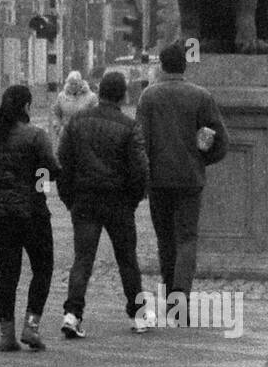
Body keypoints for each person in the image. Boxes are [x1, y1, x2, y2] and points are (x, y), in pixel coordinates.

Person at [134, 42, 228, 324]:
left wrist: (143, 175)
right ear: (185, 66)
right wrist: (203, 160)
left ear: (162, 65)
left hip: (159, 180)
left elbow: (139, 141)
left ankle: (169, 298)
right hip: (190, 178)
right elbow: (222, 141)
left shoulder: (149, 97)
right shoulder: (201, 96)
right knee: (187, 238)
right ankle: (180, 301)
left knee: (165, 239)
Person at [56, 71, 150, 338]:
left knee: (82, 261)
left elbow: (63, 163)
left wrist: (69, 199)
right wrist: (132, 200)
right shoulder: (129, 126)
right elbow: (140, 170)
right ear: (123, 95)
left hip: (84, 200)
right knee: (127, 260)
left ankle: (72, 314)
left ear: (99, 92)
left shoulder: (77, 123)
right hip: (118, 201)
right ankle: (138, 314)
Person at [0, 84, 57, 352]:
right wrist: (39, 183)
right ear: (26, 107)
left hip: (0, 214)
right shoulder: (37, 136)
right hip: (33, 213)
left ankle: (6, 335)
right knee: (42, 269)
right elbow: (51, 170)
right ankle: (31, 327)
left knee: (8, 274)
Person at [51, 70, 98, 145]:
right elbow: (56, 114)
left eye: (75, 84)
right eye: (71, 84)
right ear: (67, 83)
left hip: (84, 136)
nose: (73, 86)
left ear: (80, 83)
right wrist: (58, 128)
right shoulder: (61, 97)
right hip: (66, 135)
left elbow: (96, 116)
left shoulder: (91, 97)